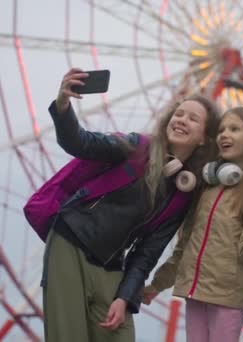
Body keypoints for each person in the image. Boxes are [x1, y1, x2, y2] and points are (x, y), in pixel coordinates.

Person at [41, 68, 220, 342]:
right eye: (179, 114)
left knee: (120, 335)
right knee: (68, 334)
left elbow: (147, 254)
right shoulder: (136, 146)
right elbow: (80, 142)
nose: (181, 120)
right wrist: (64, 105)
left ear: (204, 138)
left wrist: (125, 297)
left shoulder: (182, 194)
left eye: (193, 119)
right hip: (71, 241)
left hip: (112, 263)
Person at [143, 107, 243, 342]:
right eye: (221, 130)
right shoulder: (207, 187)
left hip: (228, 296)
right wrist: (157, 285)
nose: (224, 134)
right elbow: (186, 246)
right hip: (195, 292)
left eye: (234, 129)